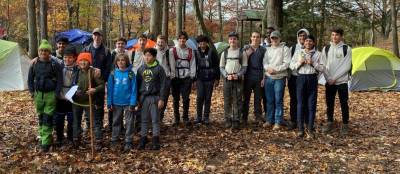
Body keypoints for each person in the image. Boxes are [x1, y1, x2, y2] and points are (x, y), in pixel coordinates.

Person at [28, 40, 63, 152]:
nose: (43, 52)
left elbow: (60, 80)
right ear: (39, 52)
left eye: (46, 51)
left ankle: (46, 143)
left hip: (50, 95)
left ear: (49, 52)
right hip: (38, 95)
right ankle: (44, 136)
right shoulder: (34, 64)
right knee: (41, 118)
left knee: (48, 118)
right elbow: (30, 79)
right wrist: (32, 92)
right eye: (41, 50)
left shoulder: (54, 64)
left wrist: (56, 93)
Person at [289, 35, 325, 138]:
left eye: (310, 41)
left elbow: (323, 68)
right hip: (300, 78)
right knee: (300, 104)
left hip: (312, 78)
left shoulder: (318, 54)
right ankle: (300, 129)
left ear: (313, 43)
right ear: (303, 43)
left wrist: (313, 63)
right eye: (306, 41)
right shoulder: (298, 52)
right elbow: (291, 66)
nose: (308, 43)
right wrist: (299, 63)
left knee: (311, 104)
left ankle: (310, 128)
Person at [321, 28, 352, 135]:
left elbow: (347, 66)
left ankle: (345, 124)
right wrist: (328, 78)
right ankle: (329, 122)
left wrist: (335, 78)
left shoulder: (346, 48)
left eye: (337, 35)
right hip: (329, 82)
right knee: (329, 103)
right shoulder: (326, 48)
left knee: (344, 103)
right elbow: (323, 66)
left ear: (341, 36)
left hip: (342, 82)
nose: (334, 37)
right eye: (333, 35)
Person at [71, 52, 105, 150]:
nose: (83, 62)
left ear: (89, 62)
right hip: (76, 101)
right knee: (76, 121)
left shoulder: (94, 72)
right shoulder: (76, 71)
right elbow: (72, 83)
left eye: (85, 60)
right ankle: (76, 139)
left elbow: (102, 85)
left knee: (94, 121)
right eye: (81, 60)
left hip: (90, 102)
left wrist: (95, 90)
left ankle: (98, 140)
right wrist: (74, 90)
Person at [82, 28, 112, 131]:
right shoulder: (86, 49)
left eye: (99, 35)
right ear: (92, 36)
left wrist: (102, 78)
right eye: (95, 35)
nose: (97, 37)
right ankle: (88, 124)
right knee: (87, 103)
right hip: (87, 81)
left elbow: (108, 67)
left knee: (99, 104)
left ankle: (99, 125)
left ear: (102, 37)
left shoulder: (106, 51)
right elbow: (82, 64)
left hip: (100, 82)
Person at [136, 48, 167, 150]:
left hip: (155, 97)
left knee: (155, 119)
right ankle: (143, 138)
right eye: (145, 55)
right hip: (144, 98)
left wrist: (162, 99)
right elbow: (137, 84)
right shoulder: (141, 69)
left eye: (149, 55)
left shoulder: (159, 69)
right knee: (144, 119)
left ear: (154, 57)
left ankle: (155, 139)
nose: (147, 57)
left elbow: (163, 85)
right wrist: (137, 99)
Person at [107, 53, 137, 151]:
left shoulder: (131, 73)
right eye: (118, 60)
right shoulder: (113, 73)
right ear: (116, 62)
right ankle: (114, 139)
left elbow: (134, 89)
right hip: (116, 102)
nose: (121, 62)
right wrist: (109, 102)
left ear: (126, 61)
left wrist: (133, 102)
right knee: (116, 122)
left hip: (128, 102)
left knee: (129, 122)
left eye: (123, 60)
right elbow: (110, 89)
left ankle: (128, 140)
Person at [262, 30, 290, 130]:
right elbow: (264, 62)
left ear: (279, 38)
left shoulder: (285, 49)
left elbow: (287, 63)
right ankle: (269, 120)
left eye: (276, 38)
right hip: (269, 77)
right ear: (270, 39)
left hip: (280, 78)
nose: (274, 40)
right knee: (269, 100)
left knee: (278, 100)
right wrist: (268, 68)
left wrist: (276, 69)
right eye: (272, 38)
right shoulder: (267, 49)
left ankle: (278, 121)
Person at [220, 32, 248, 129]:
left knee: (238, 100)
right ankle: (228, 119)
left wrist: (238, 75)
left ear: (237, 40)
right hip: (227, 79)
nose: (232, 41)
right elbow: (221, 67)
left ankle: (236, 120)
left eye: (234, 39)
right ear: (228, 40)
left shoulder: (242, 52)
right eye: (231, 39)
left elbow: (244, 67)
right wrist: (226, 75)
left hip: (238, 80)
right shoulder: (225, 52)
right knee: (227, 100)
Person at [53, 45, 78, 147]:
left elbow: (88, 65)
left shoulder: (77, 68)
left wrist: (96, 69)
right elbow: (50, 57)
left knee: (71, 119)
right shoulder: (59, 66)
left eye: (70, 57)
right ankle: (59, 137)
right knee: (59, 119)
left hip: (72, 97)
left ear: (74, 58)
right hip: (60, 96)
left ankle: (70, 138)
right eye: (65, 57)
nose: (67, 59)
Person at [170, 31, 196, 127]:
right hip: (176, 77)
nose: (182, 40)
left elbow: (193, 64)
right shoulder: (172, 51)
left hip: (186, 78)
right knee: (176, 98)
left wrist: (192, 77)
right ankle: (176, 118)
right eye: (180, 38)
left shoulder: (190, 50)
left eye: (184, 38)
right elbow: (172, 64)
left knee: (186, 98)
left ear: (186, 40)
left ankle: (185, 117)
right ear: (178, 39)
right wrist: (172, 76)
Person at [194, 35, 220, 125]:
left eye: (204, 42)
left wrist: (217, 78)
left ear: (207, 43)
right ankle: (198, 117)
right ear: (198, 43)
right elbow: (194, 66)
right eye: (200, 43)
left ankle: (206, 117)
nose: (202, 44)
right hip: (200, 77)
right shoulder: (196, 52)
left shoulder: (212, 52)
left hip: (210, 77)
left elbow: (217, 65)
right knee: (200, 97)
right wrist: (194, 79)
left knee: (208, 98)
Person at [242, 31, 266, 127]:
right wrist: (247, 54)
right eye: (254, 37)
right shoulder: (245, 48)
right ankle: (244, 117)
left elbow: (265, 65)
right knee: (246, 98)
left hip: (259, 76)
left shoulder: (263, 50)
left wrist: (264, 78)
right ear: (251, 38)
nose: (255, 39)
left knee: (258, 98)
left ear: (260, 39)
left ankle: (258, 117)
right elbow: (240, 62)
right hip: (248, 76)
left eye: (257, 37)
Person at [288, 28, 310, 130]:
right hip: (294, 78)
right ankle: (293, 120)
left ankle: (304, 120)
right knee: (294, 100)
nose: (302, 37)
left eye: (304, 36)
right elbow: (289, 64)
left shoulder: (311, 47)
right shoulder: (293, 48)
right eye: (300, 36)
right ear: (298, 37)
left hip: (305, 77)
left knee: (304, 99)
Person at [155, 35, 174, 123]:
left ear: (165, 43)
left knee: (164, 98)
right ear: (156, 42)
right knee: (155, 98)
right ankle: (154, 117)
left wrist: (171, 77)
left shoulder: (169, 52)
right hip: (155, 78)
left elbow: (172, 65)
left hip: (166, 78)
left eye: (162, 42)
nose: (160, 44)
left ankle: (160, 117)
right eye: (159, 42)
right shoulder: (153, 51)